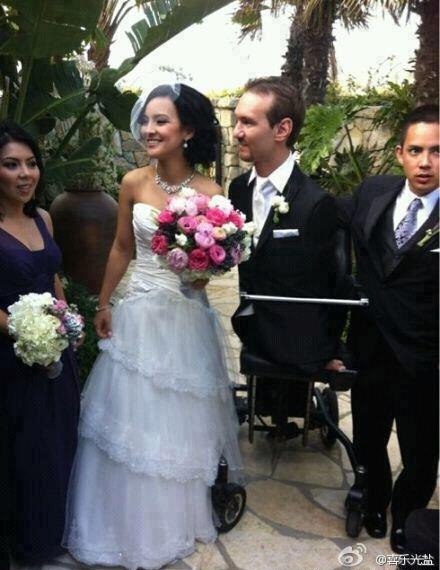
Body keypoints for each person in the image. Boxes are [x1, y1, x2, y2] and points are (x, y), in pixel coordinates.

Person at [63, 84, 243, 569]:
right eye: (146, 120)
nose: (148, 129)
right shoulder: (132, 182)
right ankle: (118, 520)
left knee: (177, 418)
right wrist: (104, 302)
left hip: (185, 317)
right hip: (139, 313)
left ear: (187, 131)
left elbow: (212, 267)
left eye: (161, 121)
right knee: (130, 416)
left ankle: (170, 519)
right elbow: (122, 247)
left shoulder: (211, 194)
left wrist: (203, 267)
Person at [338, 104, 439, 553]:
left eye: (437, 151)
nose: (425, 162)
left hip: (425, 357)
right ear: (400, 153)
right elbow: (322, 218)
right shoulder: (372, 192)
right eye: (416, 150)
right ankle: (375, 500)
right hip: (370, 347)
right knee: (368, 435)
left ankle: (409, 514)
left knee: (421, 448)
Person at [229, 76, 345, 427]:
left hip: (299, 340)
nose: (236, 132)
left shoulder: (316, 204)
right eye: (237, 121)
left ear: (282, 129)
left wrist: (331, 349)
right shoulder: (237, 190)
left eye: (247, 122)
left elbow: (334, 284)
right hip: (252, 329)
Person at [0, 120, 80, 565]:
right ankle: (20, 543)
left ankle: (49, 535)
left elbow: (52, 277)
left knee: (55, 443)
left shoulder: (43, 218)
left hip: (53, 353)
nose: (25, 174)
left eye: (31, 163)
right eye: (11, 165)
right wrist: (25, 332)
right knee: (20, 450)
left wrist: (66, 325)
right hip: (10, 358)